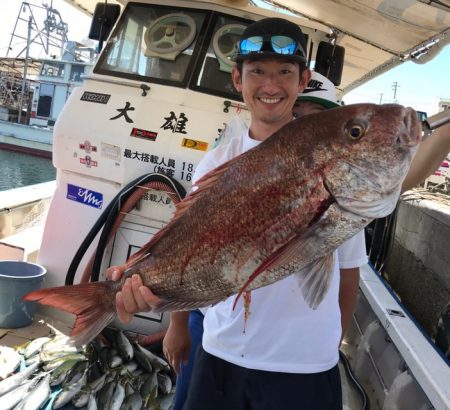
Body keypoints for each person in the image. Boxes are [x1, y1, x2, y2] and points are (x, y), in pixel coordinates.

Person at [109, 17, 368, 409]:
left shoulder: (335, 166)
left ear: (303, 80)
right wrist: (170, 314)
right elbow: (190, 250)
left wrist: (328, 341)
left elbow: (348, 274)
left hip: (305, 367)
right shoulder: (217, 161)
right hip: (221, 353)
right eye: (257, 72)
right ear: (237, 79)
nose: (270, 84)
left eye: (284, 72)